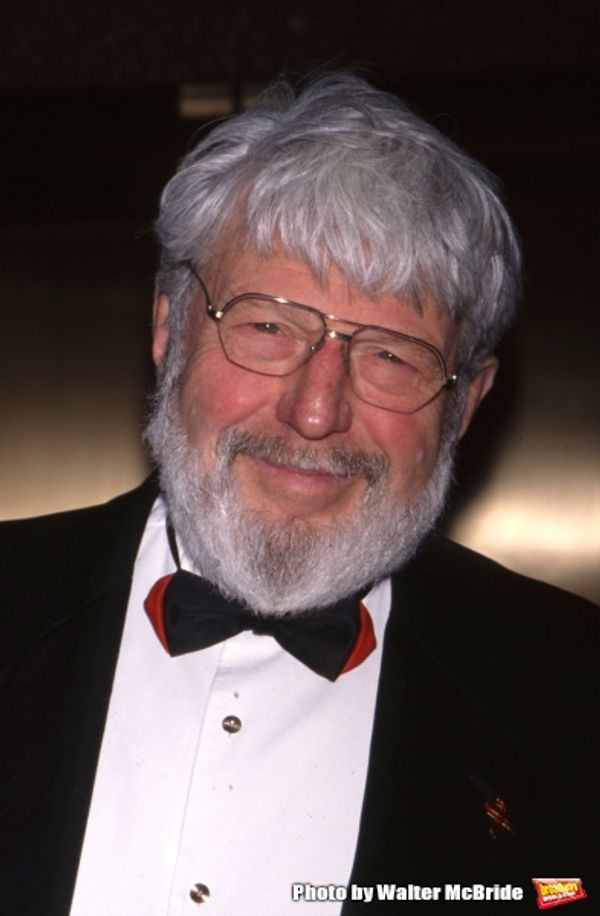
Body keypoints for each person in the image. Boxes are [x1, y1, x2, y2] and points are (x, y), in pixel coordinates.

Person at [0, 72, 597, 916]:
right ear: (169, 328)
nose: (316, 411)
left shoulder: (574, 699)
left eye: (392, 354)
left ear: (465, 402)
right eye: (268, 324)